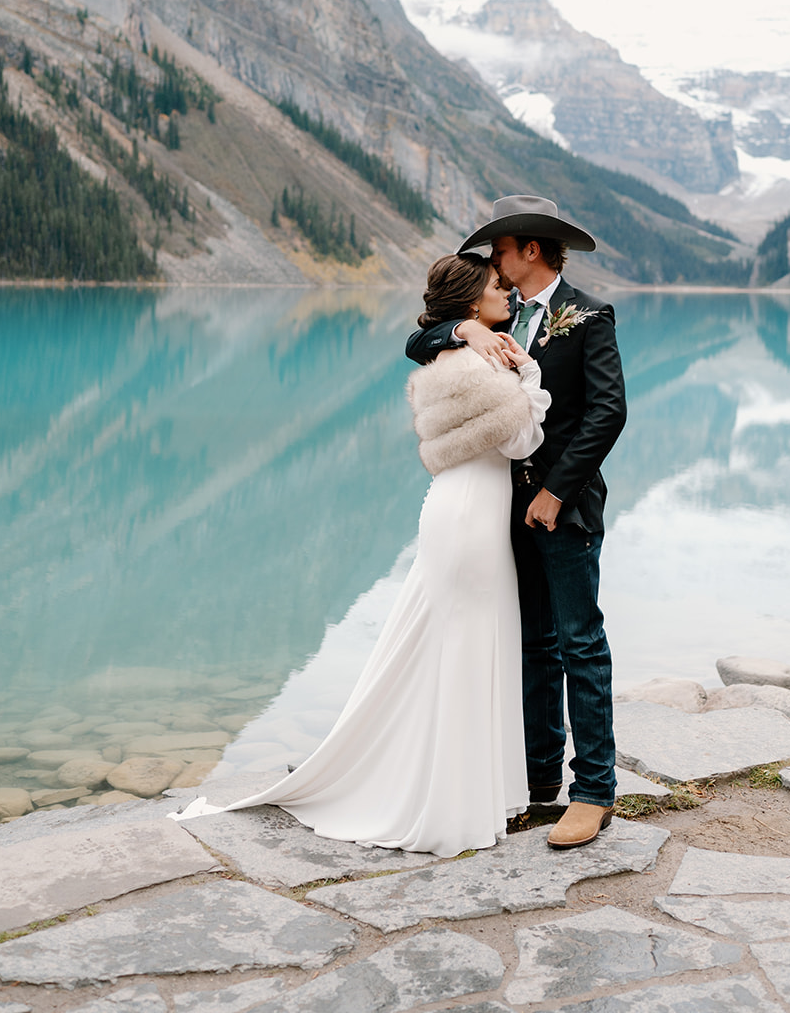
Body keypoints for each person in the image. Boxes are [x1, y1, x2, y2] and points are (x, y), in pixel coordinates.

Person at [175, 252, 549, 858]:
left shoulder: (453, 353)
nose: (506, 293)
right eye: (496, 287)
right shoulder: (476, 365)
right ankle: (449, 800)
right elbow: (519, 437)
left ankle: (461, 787)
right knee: (467, 644)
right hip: (470, 518)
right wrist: (531, 378)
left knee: (461, 642)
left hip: (459, 509)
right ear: (470, 304)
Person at [406, 194, 627, 850]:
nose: (493, 262)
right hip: (499, 511)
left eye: (500, 250)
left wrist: (556, 492)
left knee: (578, 642)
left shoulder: (586, 315)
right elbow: (419, 338)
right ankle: (536, 786)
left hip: (562, 508)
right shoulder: (488, 318)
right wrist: (460, 330)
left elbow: (606, 414)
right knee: (531, 647)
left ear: (529, 248)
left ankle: (592, 793)